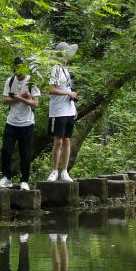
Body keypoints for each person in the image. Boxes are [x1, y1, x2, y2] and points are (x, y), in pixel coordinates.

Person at [0, 57, 41, 190]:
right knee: (6, 150)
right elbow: (5, 100)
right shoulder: (10, 81)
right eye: (16, 67)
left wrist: (19, 97)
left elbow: (35, 103)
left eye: (21, 67)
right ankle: (6, 178)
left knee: (25, 153)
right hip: (11, 122)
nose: (19, 71)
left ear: (25, 68)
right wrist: (20, 97)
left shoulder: (32, 82)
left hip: (27, 123)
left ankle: (24, 181)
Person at [47, 42, 79, 182]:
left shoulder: (66, 70)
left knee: (67, 140)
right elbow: (51, 89)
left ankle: (64, 171)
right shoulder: (55, 68)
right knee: (58, 141)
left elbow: (69, 90)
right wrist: (67, 93)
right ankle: (54, 170)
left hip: (69, 110)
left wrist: (74, 107)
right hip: (58, 111)